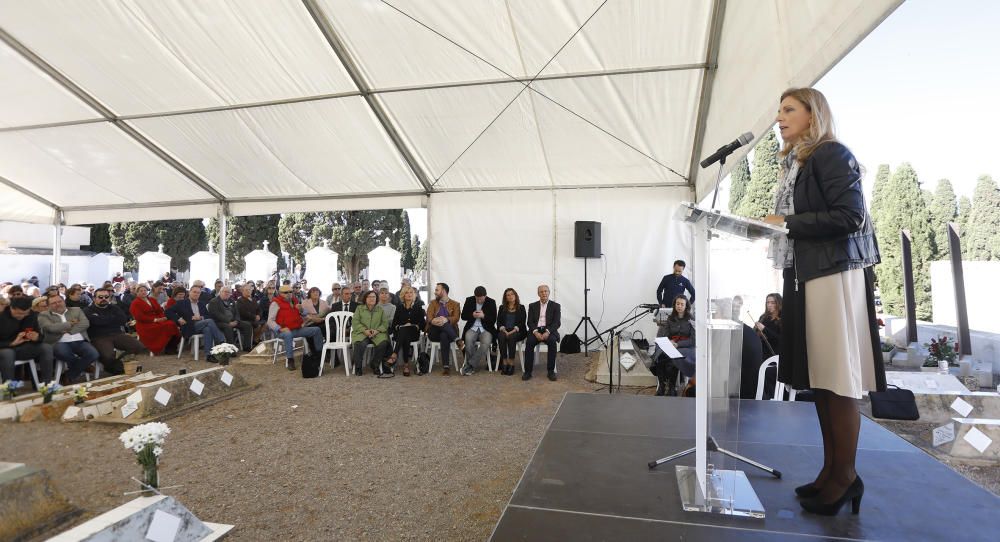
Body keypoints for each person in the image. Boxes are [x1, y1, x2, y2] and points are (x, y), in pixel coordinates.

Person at [762, 87, 883, 516]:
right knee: (822, 381)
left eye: (789, 109)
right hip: (808, 274)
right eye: (779, 111)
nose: (779, 117)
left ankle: (846, 476)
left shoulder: (832, 154)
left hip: (834, 275)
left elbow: (850, 215)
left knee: (839, 380)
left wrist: (787, 223)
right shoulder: (797, 163)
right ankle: (831, 472)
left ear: (814, 116)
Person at [83, 287, 148, 375]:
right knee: (108, 355)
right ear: (94, 298)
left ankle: (116, 363)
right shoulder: (87, 310)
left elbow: (123, 319)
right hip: (99, 337)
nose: (104, 299)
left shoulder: (114, 308)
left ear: (109, 298)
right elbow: (96, 322)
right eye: (100, 297)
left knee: (138, 346)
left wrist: (101, 319)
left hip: (117, 334)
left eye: (106, 297)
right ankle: (116, 367)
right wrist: (111, 319)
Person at [38, 293, 99, 384]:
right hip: (58, 342)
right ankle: (83, 366)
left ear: (64, 301)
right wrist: (70, 324)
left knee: (93, 354)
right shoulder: (44, 315)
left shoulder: (76, 310)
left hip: (79, 340)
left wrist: (69, 331)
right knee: (63, 353)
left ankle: (69, 375)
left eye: (60, 301)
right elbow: (50, 328)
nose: (58, 304)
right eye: (54, 303)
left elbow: (85, 324)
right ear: (49, 306)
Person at [266, 285, 323, 371]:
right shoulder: (275, 303)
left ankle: (319, 354)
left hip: (297, 329)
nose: (289, 294)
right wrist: (279, 328)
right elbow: (270, 321)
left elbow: (305, 314)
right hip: (283, 331)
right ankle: (290, 360)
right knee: (288, 334)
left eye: (290, 292)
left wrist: (301, 310)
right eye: (286, 292)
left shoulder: (295, 301)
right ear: (280, 293)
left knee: (316, 330)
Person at [0, 296, 55, 384]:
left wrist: (36, 337)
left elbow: (40, 336)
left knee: (46, 347)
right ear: (11, 308)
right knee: (8, 353)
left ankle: (47, 385)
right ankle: (8, 389)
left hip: (23, 349)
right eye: (18, 313)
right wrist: (11, 343)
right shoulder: (2, 315)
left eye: (25, 313)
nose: (21, 316)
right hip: (4, 348)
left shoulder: (31, 314)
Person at [165, 285, 226, 363]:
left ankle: (209, 355)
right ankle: (222, 340)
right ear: (189, 292)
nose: (196, 294)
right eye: (194, 292)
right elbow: (167, 312)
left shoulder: (201, 304)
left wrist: (200, 317)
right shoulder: (182, 303)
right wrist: (178, 319)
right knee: (209, 321)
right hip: (189, 326)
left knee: (207, 329)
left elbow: (207, 315)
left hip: (201, 325)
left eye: (198, 293)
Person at [523, 285, 561, 381]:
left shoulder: (556, 306)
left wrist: (547, 332)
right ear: (538, 294)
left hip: (549, 330)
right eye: (541, 292)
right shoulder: (532, 306)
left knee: (552, 342)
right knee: (529, 342)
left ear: (549, 292)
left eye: (546, 291)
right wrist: (535, 332)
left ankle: (551, 371)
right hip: (536, 330)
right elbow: (530, 322)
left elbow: (557, 322)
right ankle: (528, 372)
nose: (544, 293)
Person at [130, 284, 180, 355]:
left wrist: (162, 317)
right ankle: (164, 348)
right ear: (137, 292)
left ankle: (170, 347)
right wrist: (155, 320)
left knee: (172, 324)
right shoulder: (135, 303)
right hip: (145, 324)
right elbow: (139, 317)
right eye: (141, 291)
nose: (143, 292)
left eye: (145, 290)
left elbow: (159, 311)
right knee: (166, 326)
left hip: (158, 321)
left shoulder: (152, 300)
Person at [351, 290, 390, 376]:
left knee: (383, 343)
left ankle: (375, 365)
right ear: (365, 299)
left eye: (374, 297)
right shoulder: (359, 308)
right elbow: (355, 322)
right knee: (359, 344)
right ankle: (358, 367)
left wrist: (377, 330)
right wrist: (365, 330)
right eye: (369, 297)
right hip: (362, 333)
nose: (372, 299)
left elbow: (385, 323)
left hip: (376, 333)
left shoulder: (380, 309)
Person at [460, 286, 497, 375]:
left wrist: (483, 316)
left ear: (485, 296)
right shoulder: (469, 300)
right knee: (468, 340)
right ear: (474, 296)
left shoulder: (491, 302)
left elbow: (493, 319)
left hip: (486, 329)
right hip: (472, 328)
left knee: (486, 343)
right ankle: (471, 366)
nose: (479, 301)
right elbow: (463, 316)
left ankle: (470, 365)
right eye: (477, 299)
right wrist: (472, 315)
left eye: (481, 299)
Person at [425, 283, 460, 375]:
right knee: (442, 324)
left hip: (448, 333)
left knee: (444, 335)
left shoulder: (455, 304)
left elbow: (456, 318)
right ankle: (457, 340)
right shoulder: (433, 303)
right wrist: (433, 321)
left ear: (443, 291)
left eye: (437, 290)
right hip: (434, 331)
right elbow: (428, 316)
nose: (435, 292)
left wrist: (446, 319)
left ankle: (446, 367)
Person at [389, 286, 425, 376]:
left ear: (414, 295)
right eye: (406, 292)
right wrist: (402, 326)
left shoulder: (418, 307)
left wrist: (413, 325)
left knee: (406, 331)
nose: (409, 294)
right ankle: (406, 365)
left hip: (413, 333)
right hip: (401, 332)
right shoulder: (399, 307)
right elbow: (394, 324)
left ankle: (394, 354)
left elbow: (422, 323)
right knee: (404, 332)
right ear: (403, 295)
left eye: (411, 292)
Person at [208, 286, 252, 352]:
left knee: (247, 325)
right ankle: (231, 350)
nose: (227, 293)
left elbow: (237, 312)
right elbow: (216, 315)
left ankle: (247, 346)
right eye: (225, 292)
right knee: (228, 327)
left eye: (228, 292)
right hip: (219, 322)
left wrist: (237, 320)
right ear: (220, 292)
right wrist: (228, 321)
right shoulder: (214, 301)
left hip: (233, 321)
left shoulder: (231, 300)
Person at [496, 288, 527, 376]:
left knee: (512, 337)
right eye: (508, 295)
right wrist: (504, 330)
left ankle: (511, 363)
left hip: (518, 331)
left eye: (512, 294)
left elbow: (522, 322)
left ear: (515, 296)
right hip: (505, 330)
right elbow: (498, 321)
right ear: (505, 297)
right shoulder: (502, 307)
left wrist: (513, 331)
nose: (510, 296)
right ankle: (505, 362)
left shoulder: (521, 307)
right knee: (501, 336)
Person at [756, 293, 783, 358]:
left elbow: (780, 339)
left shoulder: (782, 318)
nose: (769, 305)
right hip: (761, 353)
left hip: (774, 355)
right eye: (767, 302)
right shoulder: (763, 317)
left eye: (773, 303)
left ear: (778, 303)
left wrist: (764, 329)